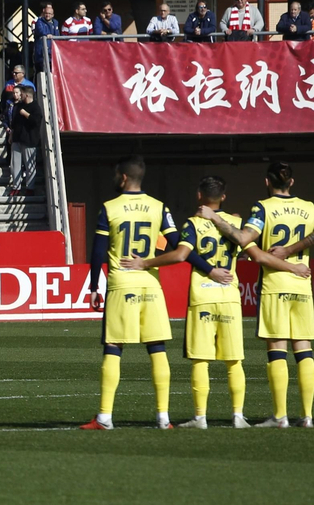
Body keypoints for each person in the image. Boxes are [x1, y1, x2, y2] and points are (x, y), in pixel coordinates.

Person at [120, 177, 254, 429]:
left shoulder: (193, 223)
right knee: (234, 360)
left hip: (203, 297)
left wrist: (145, 262)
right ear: (223, 197)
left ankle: (200, 418)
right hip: (229, 297)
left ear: (199, 195)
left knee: (200, 359)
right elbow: (249, 249)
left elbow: (181, 255)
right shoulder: (236, 223)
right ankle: (238, 416)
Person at [197, 161, 314, 427]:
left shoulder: (262, 208)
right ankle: (308, 416)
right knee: (304, 350)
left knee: (277, 350)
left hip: (275, 285)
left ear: (266, 182)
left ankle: (280, 416)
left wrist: (216, 218)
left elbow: (243, 239)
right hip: (303, 283)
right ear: (292, 182)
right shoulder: (309, 208)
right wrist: (295, 249)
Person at [79, 156, 179, 430]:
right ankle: (163, 419)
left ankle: (105, 417)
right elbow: (179, 246)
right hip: (150, 285)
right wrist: (150, 260)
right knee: (157, 348)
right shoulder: (159, 207)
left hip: (121, 284)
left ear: (123, 177)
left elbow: (98, 251)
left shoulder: (110, 208)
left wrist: (93, 287)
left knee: (113, 348)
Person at [8, 82, 42, 194]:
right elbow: (14, 122)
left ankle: (29, 188)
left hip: (29, 140)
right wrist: (11, 135)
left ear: (27, 95)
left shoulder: (35, 108)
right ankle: (16, 187)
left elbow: (36, 121)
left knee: (30, 165)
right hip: (17, 139)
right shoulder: (19, 106)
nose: (20, 96)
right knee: (15, 164)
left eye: (21, 94)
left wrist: (26, 114)